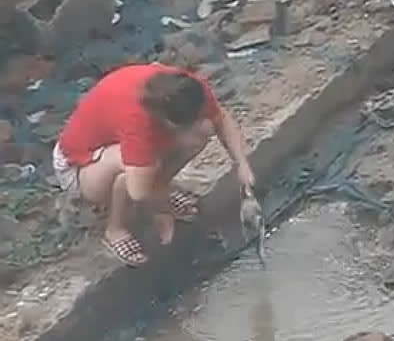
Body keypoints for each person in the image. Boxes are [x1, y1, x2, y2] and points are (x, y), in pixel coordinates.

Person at [52, 63, 255, 266]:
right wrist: (161, 210)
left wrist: (242, 164)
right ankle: (115, 229)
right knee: (138, 173)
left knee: (202, 131)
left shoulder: (186, 88)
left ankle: (161, 187)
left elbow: (220, 119)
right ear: (166, 120)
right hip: (79, 166)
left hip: (121, 146)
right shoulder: (137, 119)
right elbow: (138, 191)